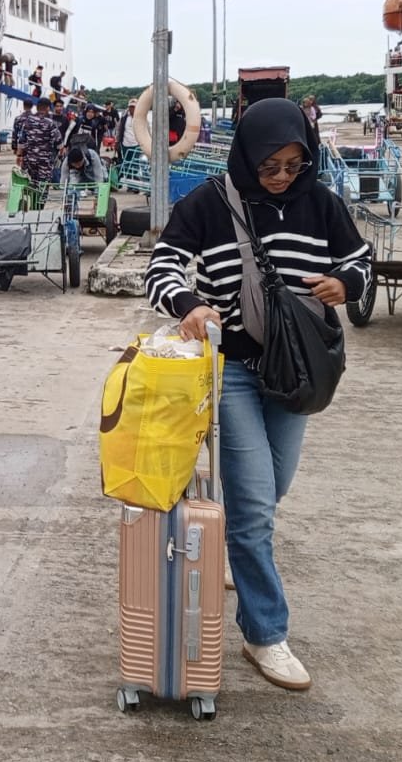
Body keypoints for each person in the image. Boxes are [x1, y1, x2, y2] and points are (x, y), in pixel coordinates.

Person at [142, 99, 372, 693]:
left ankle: (228, 548)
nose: (282, 178)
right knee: (253, 509)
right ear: (247, 154)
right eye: (271, 166)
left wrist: (343, 283)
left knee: (273, 488)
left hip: (297, 369)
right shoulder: (211, 203)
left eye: (294, 165)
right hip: (236, 370)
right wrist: (189, 303)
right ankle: (264, 634)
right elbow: (162, 264)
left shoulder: (321, 202)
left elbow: (360, 259)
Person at [18, 96, 63, 183]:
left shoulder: (27, 121)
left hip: (30, 159)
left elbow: (21, 141)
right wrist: (60, 154)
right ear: (47, 108)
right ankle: (42, 197)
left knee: (32, 183)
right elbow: (59, 142)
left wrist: (20, 156)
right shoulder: (50, 123)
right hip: (44, 160)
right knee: (43, 184)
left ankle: (34, 196)